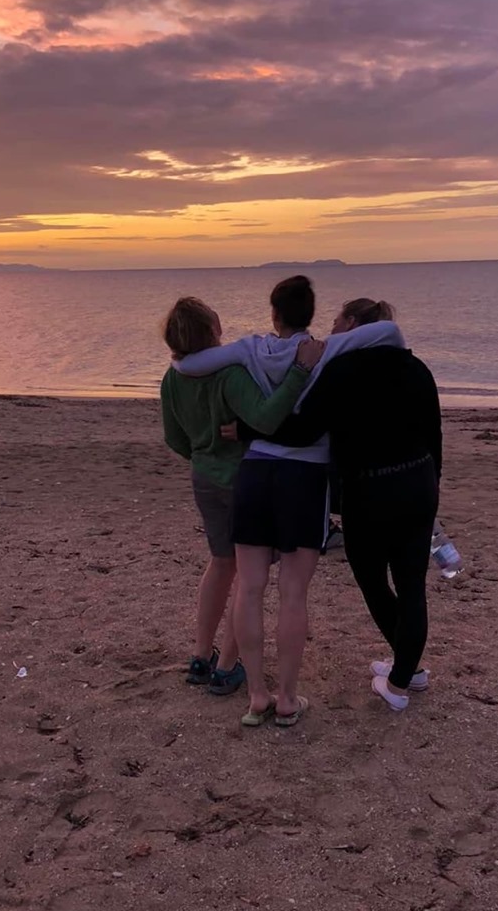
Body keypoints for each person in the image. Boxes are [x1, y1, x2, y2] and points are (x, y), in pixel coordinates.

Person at [172, 277, 407, 727]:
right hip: (305, 475)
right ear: (311, 313)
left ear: (274, 313)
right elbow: (391, 335)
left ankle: (257, 695)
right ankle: (287, 698)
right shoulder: (324, 350)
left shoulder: (249, 348)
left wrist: (179, 356)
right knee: (293, 593)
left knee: (252, 587)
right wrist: (338, 337)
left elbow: (189, 366)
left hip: (256, 472)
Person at [239, 297, 442, 713]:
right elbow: (434, 437)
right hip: (419, 485)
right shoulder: (416, 367)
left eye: (335, 321)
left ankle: (400, 683)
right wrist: (430, 491)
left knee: (373, 583)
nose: (329, 330)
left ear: (350, 323)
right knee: (412, 586)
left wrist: (247, 428)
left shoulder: (343, 369)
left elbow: (303, 430)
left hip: (369, 493)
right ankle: (408, 668)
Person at [160, 296, 323, 697]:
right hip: (242, 480)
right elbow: (267, 418)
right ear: (212, 328)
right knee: (250, 577)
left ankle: (201, 655)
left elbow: (174, 438)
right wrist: (300, 371)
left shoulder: (172, 377)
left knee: (220, 563)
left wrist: (203, 455)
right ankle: (228, 665)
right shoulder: (229, 374)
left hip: (204, 477)